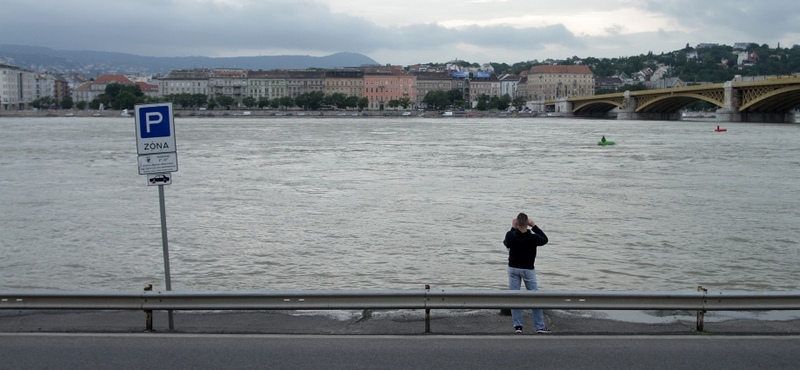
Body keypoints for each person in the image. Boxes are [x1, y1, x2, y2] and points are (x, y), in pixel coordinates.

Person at [504, 212, 551, 334]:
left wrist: (513, 227)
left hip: (513, 268)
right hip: (528, 269)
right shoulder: (533, 237)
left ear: (517, 223)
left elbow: (506, 242)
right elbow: (545, 239)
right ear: (527, 223)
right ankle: (539, 327)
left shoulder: (511, 235)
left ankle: (518, 327)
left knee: (514, 298)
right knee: (535, 297)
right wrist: (534, 226)